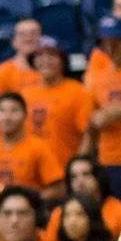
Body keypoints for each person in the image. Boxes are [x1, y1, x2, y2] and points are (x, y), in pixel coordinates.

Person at [0, 93, 60, 200]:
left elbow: (58, 189)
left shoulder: (39, 148)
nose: (7, 117)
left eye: (14, 111)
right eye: (2, 111)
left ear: (25, 115)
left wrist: (29, 202)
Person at [22, 39, 92, 172]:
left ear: (63, 61)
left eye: (52, 55)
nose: (45, 61)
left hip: (64, 169)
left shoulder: (78, 92)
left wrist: (77, 169)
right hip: (31, 172)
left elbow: (88, 135)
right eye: (39, 56)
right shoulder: (25, 94)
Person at [86, 16, 121, 199]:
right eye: (106, 44)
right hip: (108, 161)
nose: (110, 49)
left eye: (116, 43)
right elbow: (90, 124)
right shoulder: (97, 78)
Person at [63, 157, 121, 241]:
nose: (80, 182)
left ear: (99, 177)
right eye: (73, 177)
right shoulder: (60, 213)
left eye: (86, 174)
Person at [0, 18, 45, 98]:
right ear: (14, 42)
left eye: (33, 34)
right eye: (23, 34)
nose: (28, 38)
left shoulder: (53, 70)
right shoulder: (2, 73)